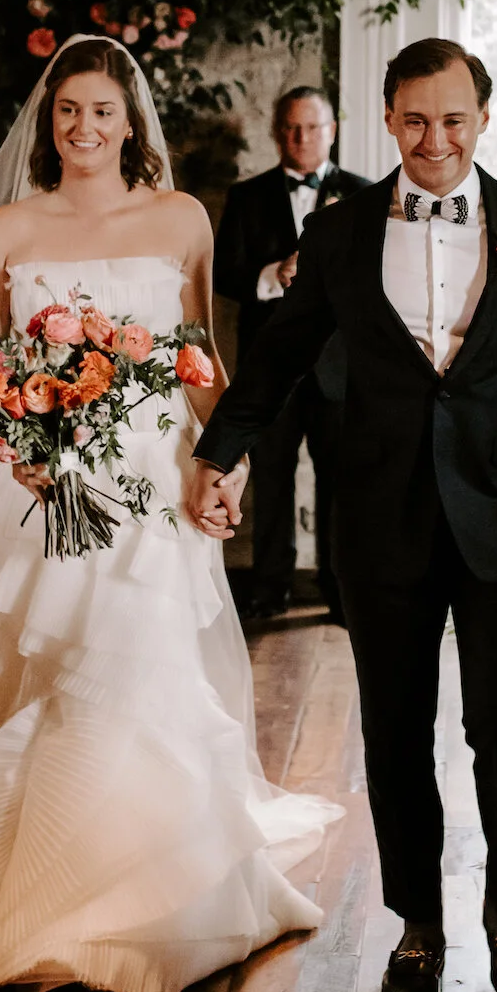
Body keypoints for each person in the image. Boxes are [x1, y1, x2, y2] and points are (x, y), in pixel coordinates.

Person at [0, 35, 338, 992]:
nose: (85, 127)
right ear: (49, 123)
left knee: (150, 678)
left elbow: (203, 363)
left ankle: (156, 907)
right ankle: (54, 918)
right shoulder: (6, 228)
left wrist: (225, 463)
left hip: (157, 487)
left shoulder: (181, 219)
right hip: (53, 493)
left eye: (103, 111)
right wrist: (37, 464)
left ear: (132, 123)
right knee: (64, 685)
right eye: (68, 111)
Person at [187, 37, 497, 992]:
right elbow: (280, 354)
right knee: (395, 731)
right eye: (415, 119)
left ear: (483, 119)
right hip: (379, 517)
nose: (435, 138)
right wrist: (223, 452)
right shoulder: (338, 235)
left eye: (453, 118)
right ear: (388, 120)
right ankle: (418, 921)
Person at [212, 87, 367, 620]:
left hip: (338, 366)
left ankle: (340, 589)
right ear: (279, 132)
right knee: (270, 477)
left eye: (313, 128)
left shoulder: (365, 196)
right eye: (292, 129)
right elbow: (225, 275)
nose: (302, 138)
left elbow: (379, 282)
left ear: (332, 131)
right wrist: (273, 275)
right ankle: (270, 587)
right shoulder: (247, 197)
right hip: (270, 365)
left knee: (342, 483)